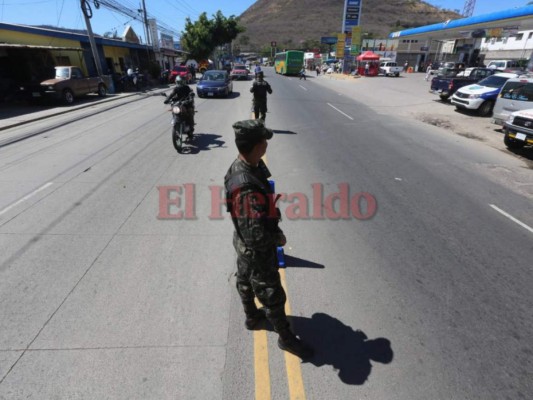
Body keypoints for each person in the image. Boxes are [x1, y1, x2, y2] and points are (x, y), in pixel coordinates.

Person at [224, 119, 314, 360]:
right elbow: (256, 236)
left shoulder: (246, 165)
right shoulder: (246, 187)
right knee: (273, 294)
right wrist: (277, 238)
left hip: (243, 242)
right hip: (256, 248)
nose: (266, 145)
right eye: (263, 141)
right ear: (255, 146)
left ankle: (252, 317)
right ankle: (286, 339)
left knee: (243, 279)